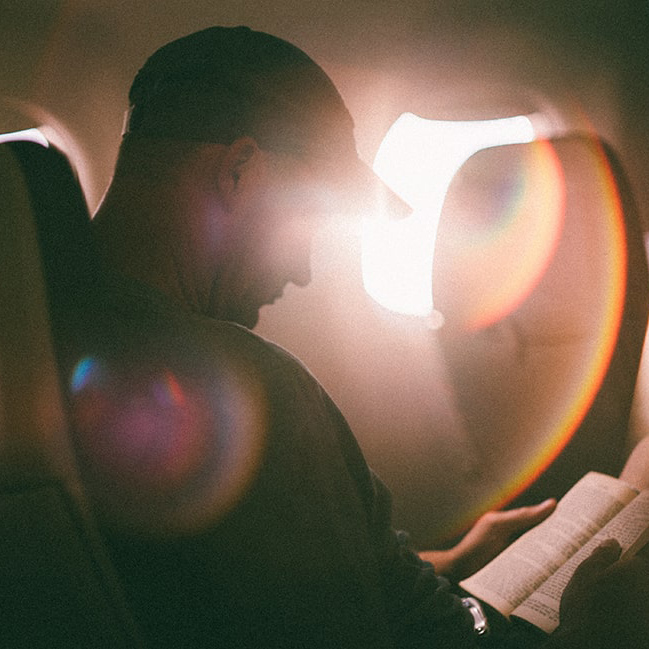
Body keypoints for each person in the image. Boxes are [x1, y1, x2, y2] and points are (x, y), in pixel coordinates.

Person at [68, 25, 649, 648]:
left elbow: (244, 594)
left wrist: (447, 563)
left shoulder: (55, 335)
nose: (304, 270)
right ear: (238, 171)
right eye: (310, 220)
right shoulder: (246, 389)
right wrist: (589, 634)